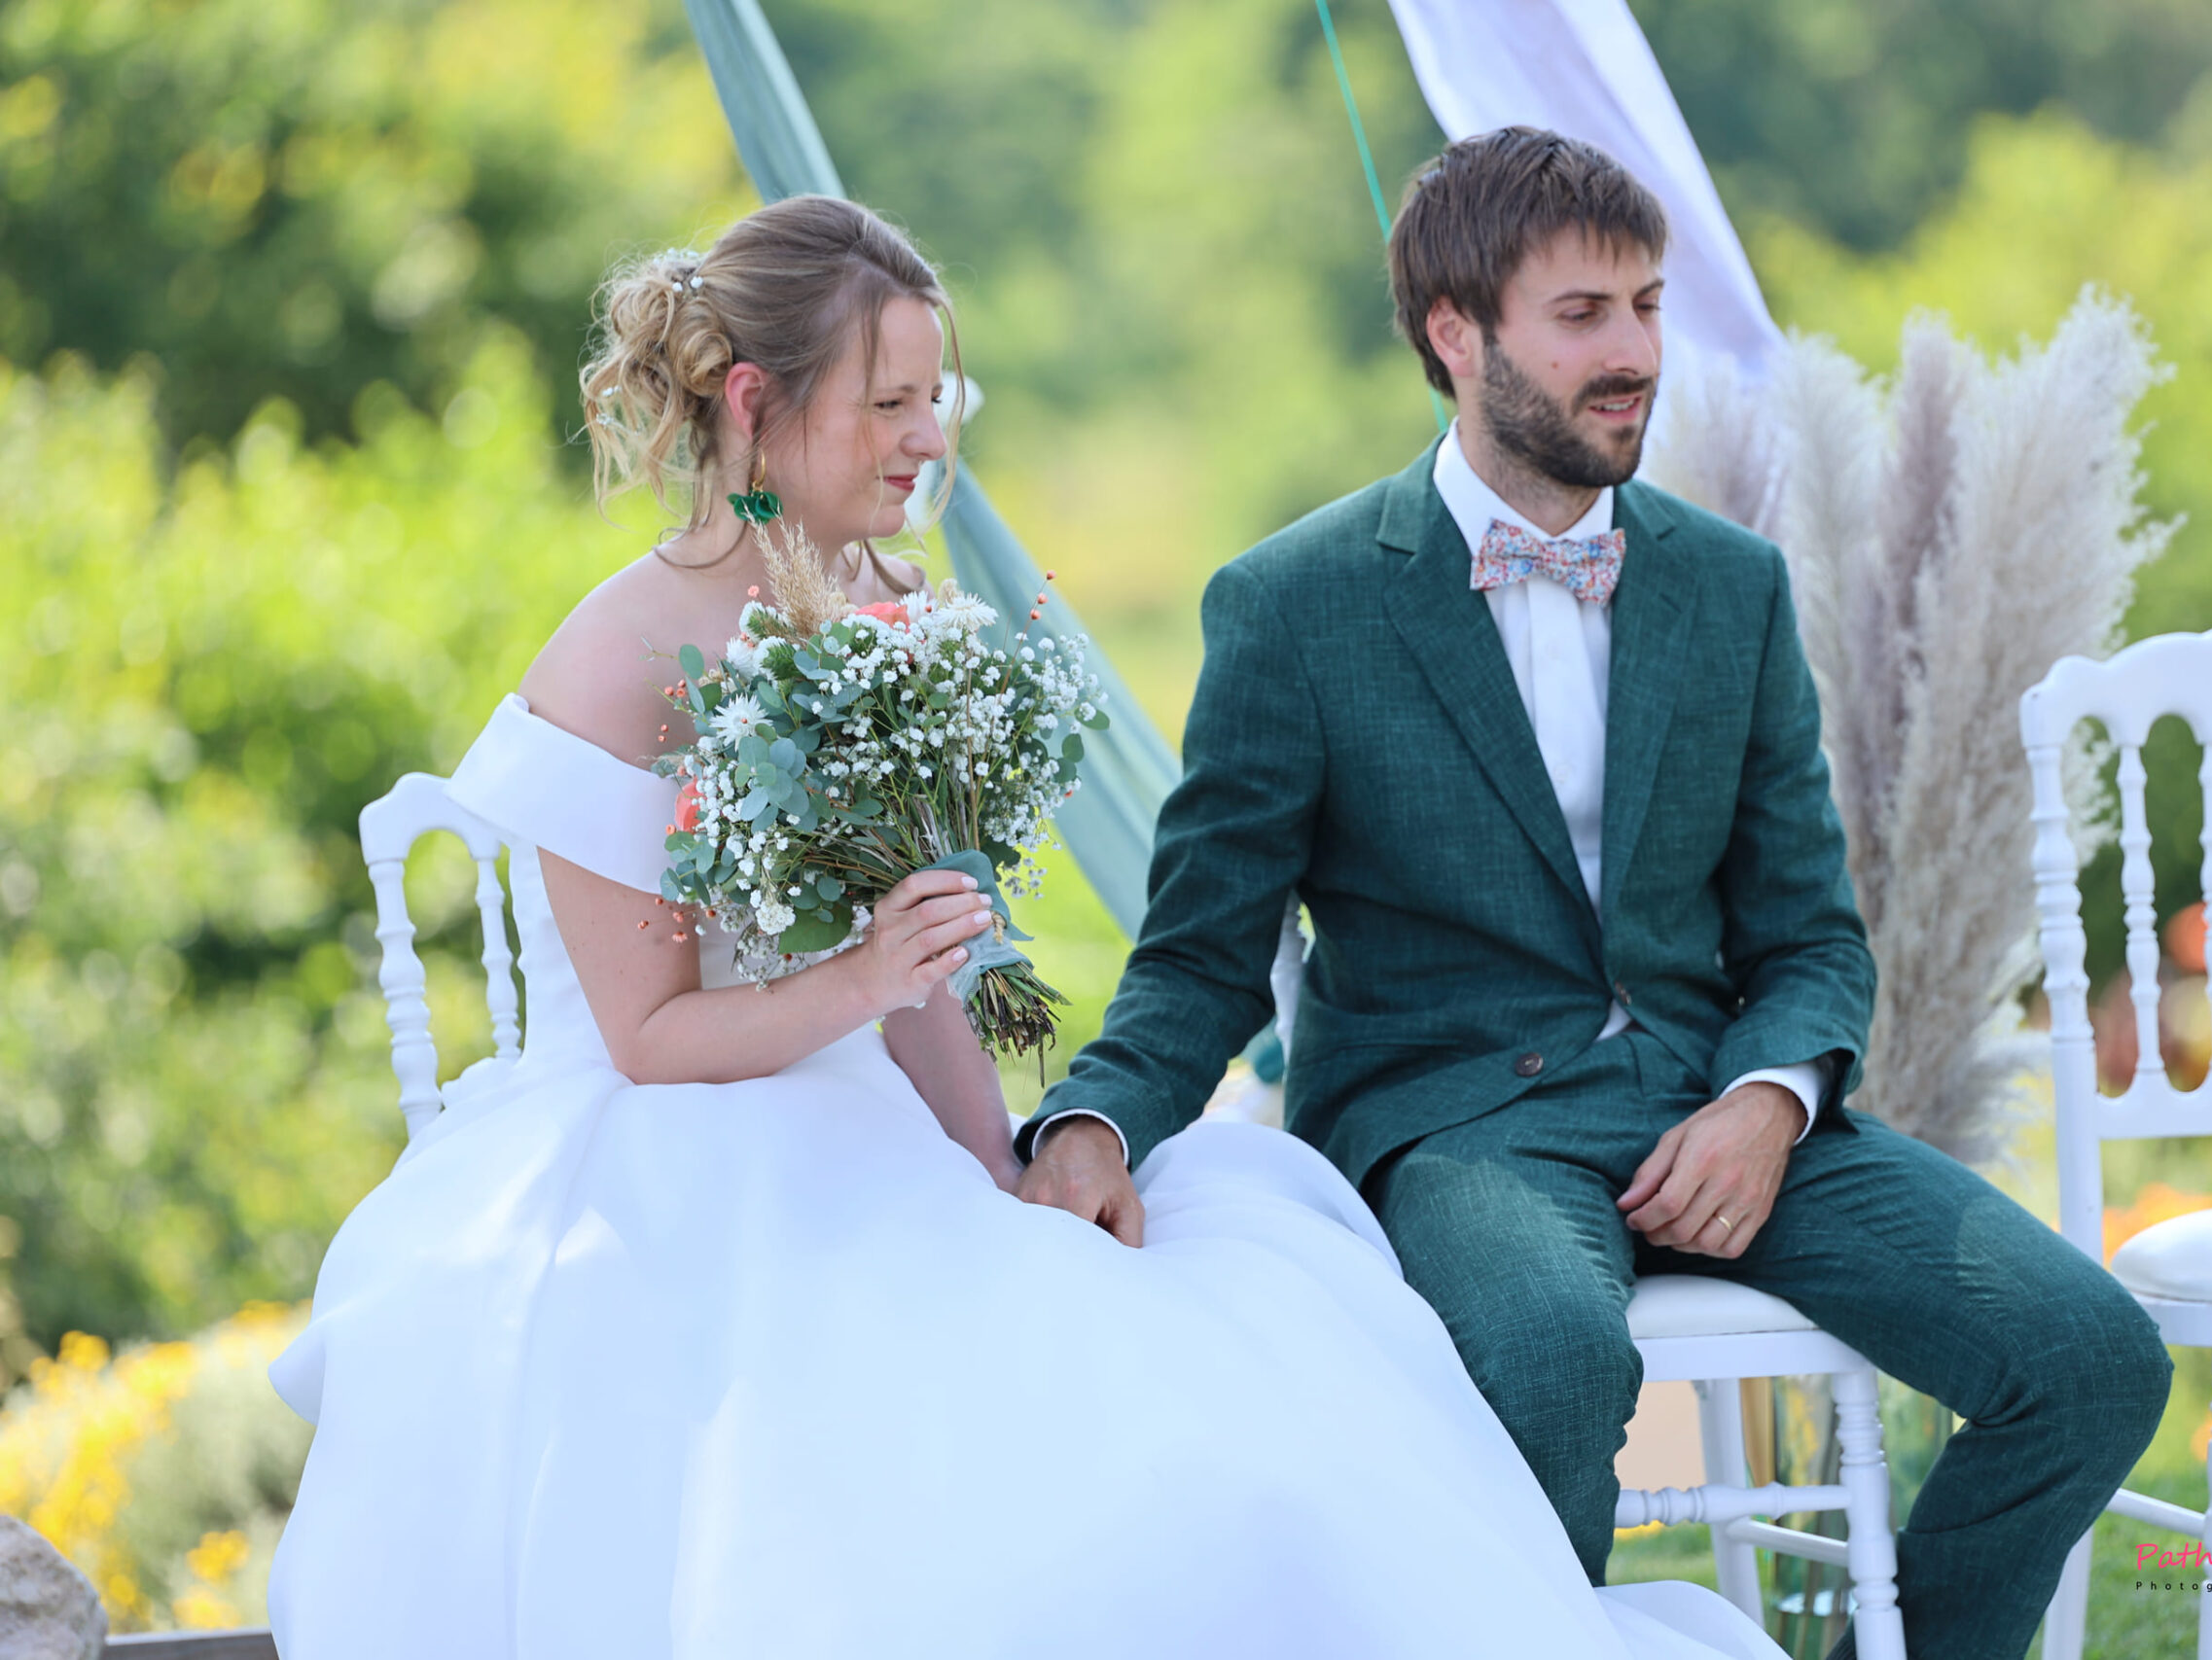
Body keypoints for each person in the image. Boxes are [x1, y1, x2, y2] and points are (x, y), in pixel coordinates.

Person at [266, 193, 1786, 1660]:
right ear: (753, 402)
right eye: (890, 403)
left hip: (872, 1117)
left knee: (1205, 1356)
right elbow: (652, 1037)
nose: (931, 440)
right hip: (676, 1148)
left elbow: (920, 966)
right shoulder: (620, 662)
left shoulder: (885, 598)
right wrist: (869, 977)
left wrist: (997, 1161)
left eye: (936, 398)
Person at [1015, 128, 2175, 1660]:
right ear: (1457, 335)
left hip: (1720, 1109)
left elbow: (1809, 935)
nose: (1635, 353)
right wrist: (1093, 1122)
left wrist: (1767, 1101)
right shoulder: (1294, 606)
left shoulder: (1732, 584)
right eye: (1582, 316)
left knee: (2092, 1358)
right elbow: (1203, 956)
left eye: (1645, 305)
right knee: (1553, 1361)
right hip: (1459, 1129)